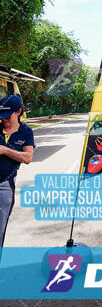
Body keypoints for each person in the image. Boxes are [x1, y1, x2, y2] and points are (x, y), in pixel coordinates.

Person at [0, 94, 35, 247]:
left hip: (4, 185)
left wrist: (5, 150)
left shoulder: (26, 132)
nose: (3, 119)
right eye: (1, 116)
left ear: (19, 111)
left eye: (7, 116)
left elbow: (27, 158)